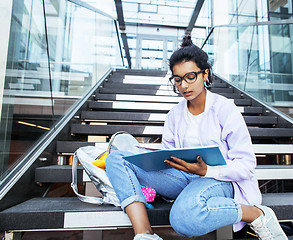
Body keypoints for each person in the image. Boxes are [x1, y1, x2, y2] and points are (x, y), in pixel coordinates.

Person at [106, 36, 288, 240]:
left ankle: (256, 213)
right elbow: (169, 155)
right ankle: (145, 234)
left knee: (183, 219)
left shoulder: (225, 109)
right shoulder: (174, 115)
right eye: (177, 79)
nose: (183, 85)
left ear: (205, 74)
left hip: (221, 180)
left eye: (190, 77)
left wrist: (206, 170)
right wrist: (151, 158)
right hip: (183, 177)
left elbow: (246, 166)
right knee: (116, 159)